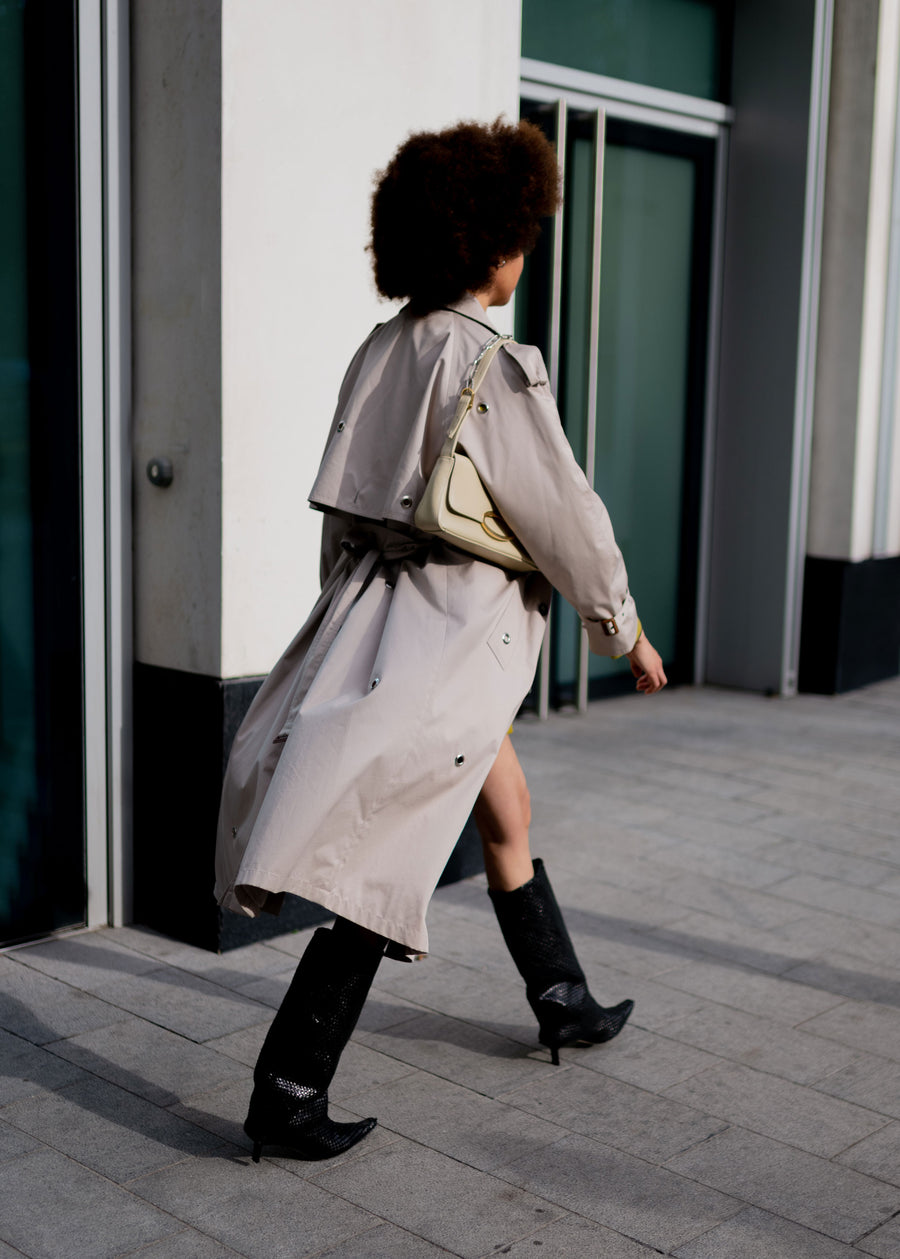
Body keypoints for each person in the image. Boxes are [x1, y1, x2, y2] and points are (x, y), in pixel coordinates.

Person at [214, 118, 667, 1164]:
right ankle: (287, 1089)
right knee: (384, 854)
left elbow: (340, 503)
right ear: (488, 241)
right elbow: (568, 516)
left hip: (381, 612)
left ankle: (562, 997)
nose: (528, 251)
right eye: (523, 232)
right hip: (454, 637)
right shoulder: (487, 360)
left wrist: (349, 616)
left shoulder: (383, 347)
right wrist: (624, 631)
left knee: (504, 805)